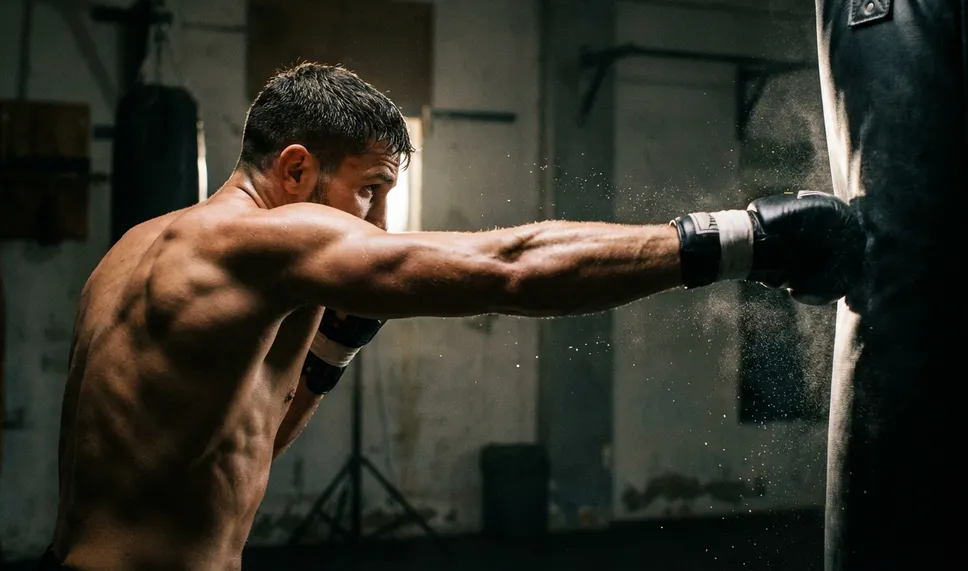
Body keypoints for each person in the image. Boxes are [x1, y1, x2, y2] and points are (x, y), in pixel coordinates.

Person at [41, 62, 863, 570]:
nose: (378, 223)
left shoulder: (134, 250)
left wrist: (329, 349)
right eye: (368, 188)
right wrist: (739, 240)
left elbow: (230, 446)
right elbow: (508, 268)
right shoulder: (267, 241)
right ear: (295, 167)